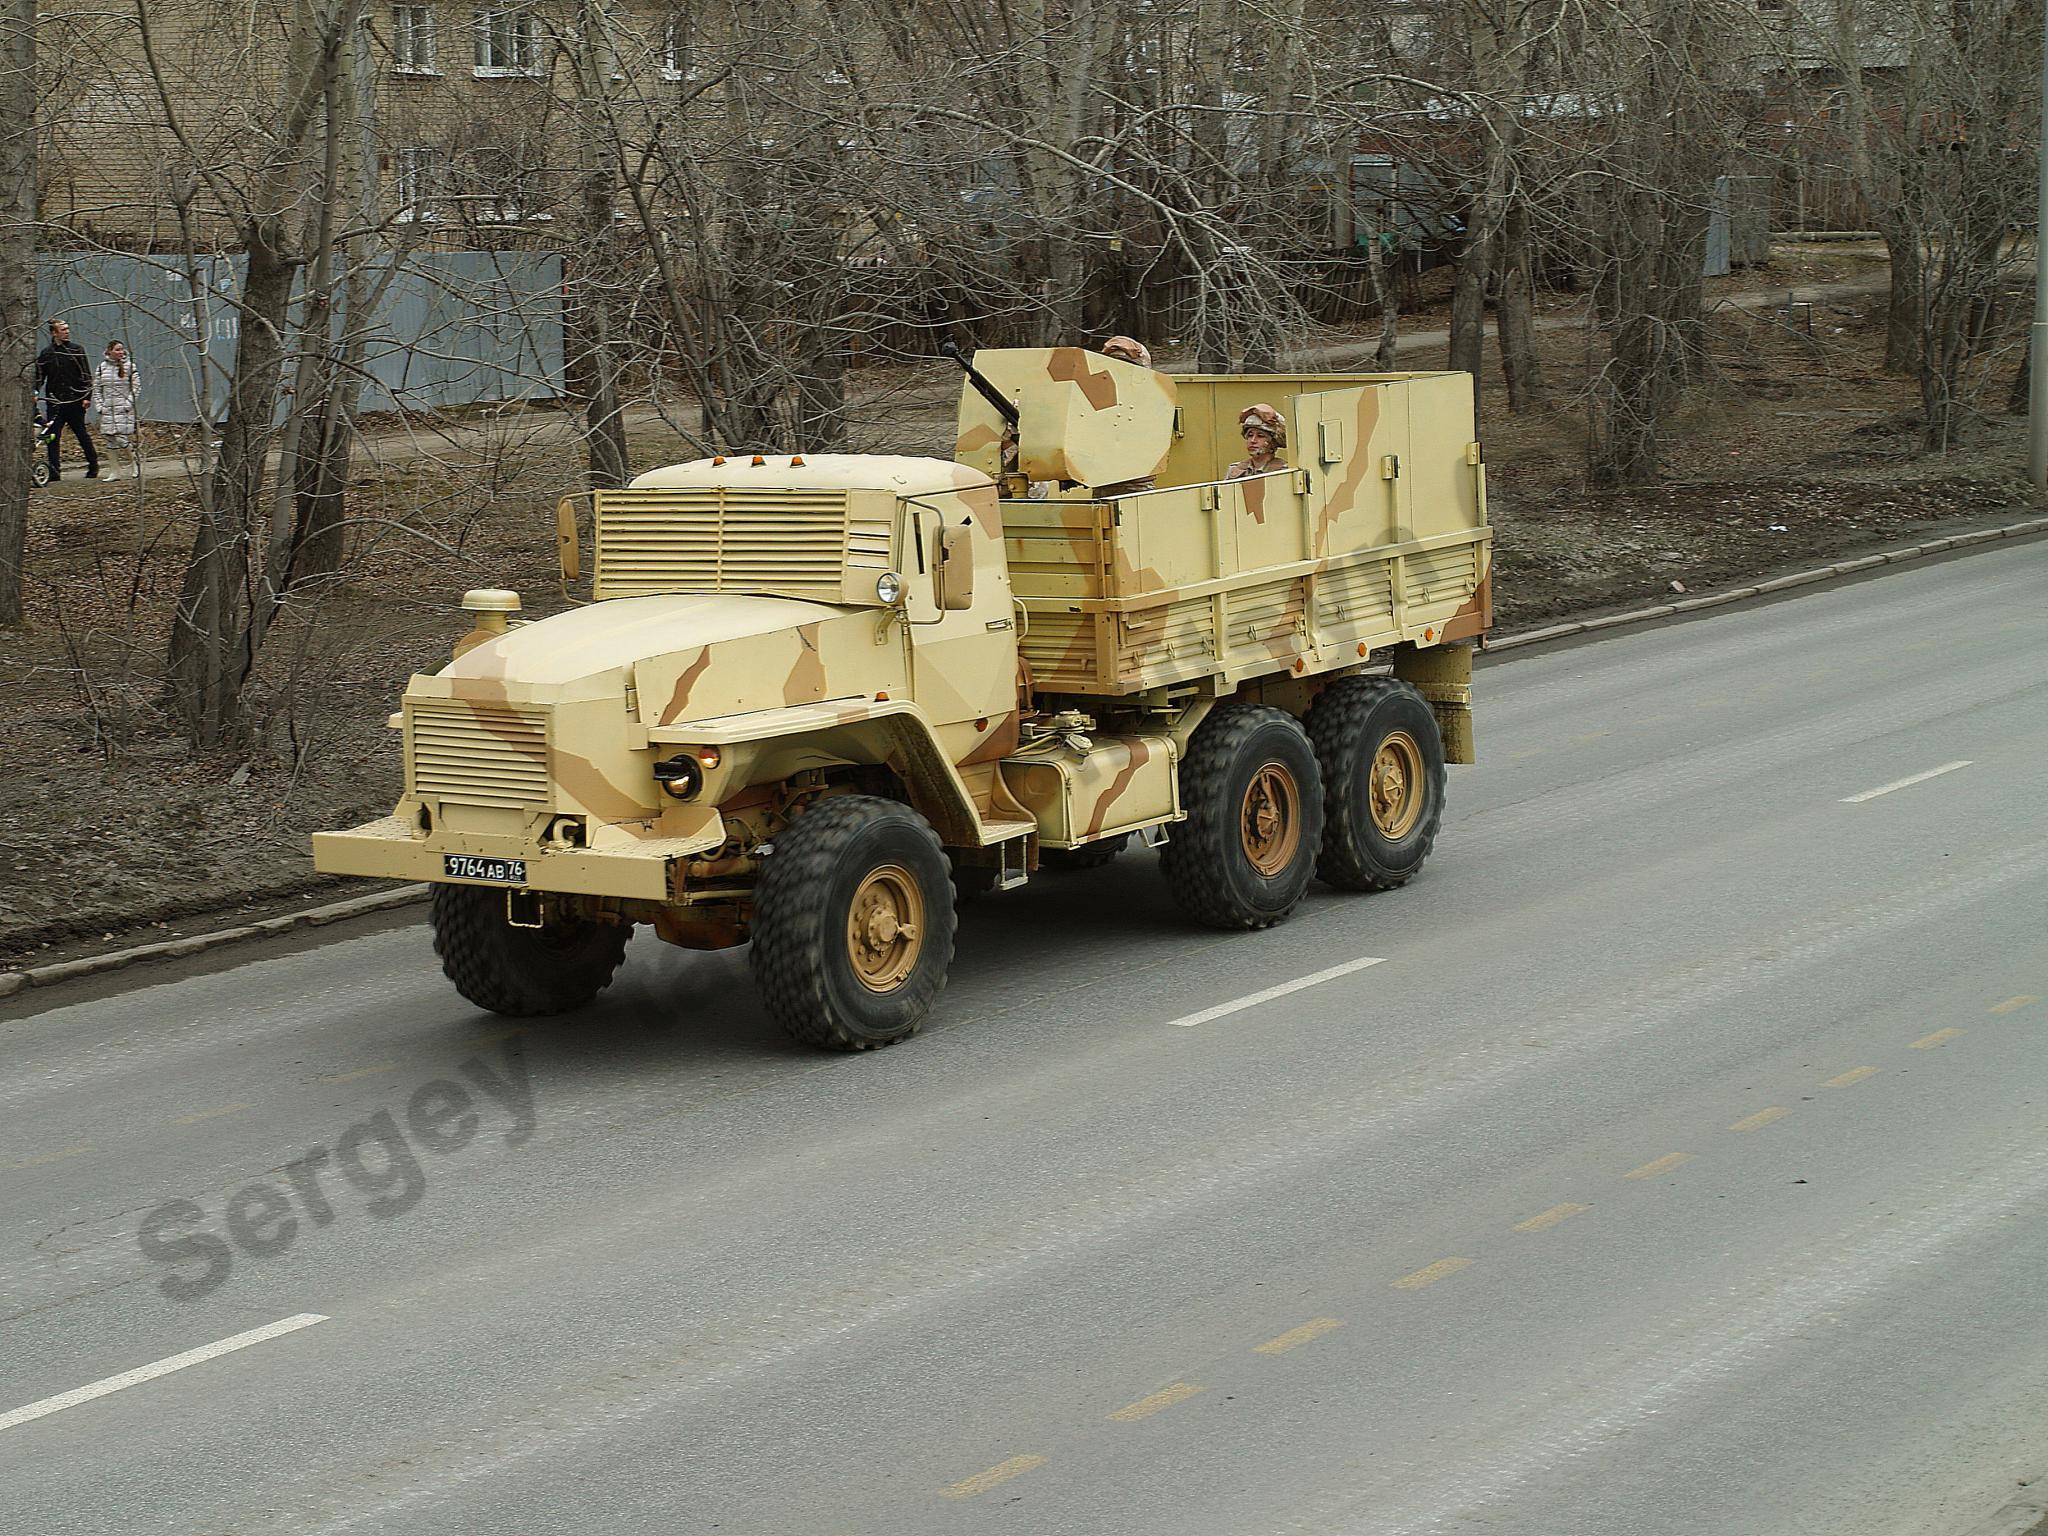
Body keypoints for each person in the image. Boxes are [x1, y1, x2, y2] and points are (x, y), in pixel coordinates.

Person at [36, 319, 98, 481]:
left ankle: (93, 465)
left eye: (67, 329)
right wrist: (35, 392)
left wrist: (86, 397)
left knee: (81, 434)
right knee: (52, 437)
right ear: (54, 333)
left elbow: (86, 375)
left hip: (75, 401)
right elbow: (40, 377)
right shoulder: (47, 353)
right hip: (55, 402)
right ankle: (54, 471)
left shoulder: (76, 350)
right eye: (62, 329)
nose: (66, 331)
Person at [94, 340, 141, 477]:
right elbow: (96, 388)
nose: (120, 352)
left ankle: (134, 463)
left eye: (122, 349)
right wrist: (100, 405)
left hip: (123, 408)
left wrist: (128, 404)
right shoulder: (102, 367)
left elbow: (136, 387)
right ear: (109, 351)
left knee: (121, 438)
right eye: (117, 350)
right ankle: (115, 471)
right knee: (110, 439)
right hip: (107, 408)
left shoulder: (130, 367)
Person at [1225, 402, 1288, 480]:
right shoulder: (1235, 470)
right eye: (1250, 435)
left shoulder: (1283, 471)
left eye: (1260, 436)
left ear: (1273, 442)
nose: (1253, 440)